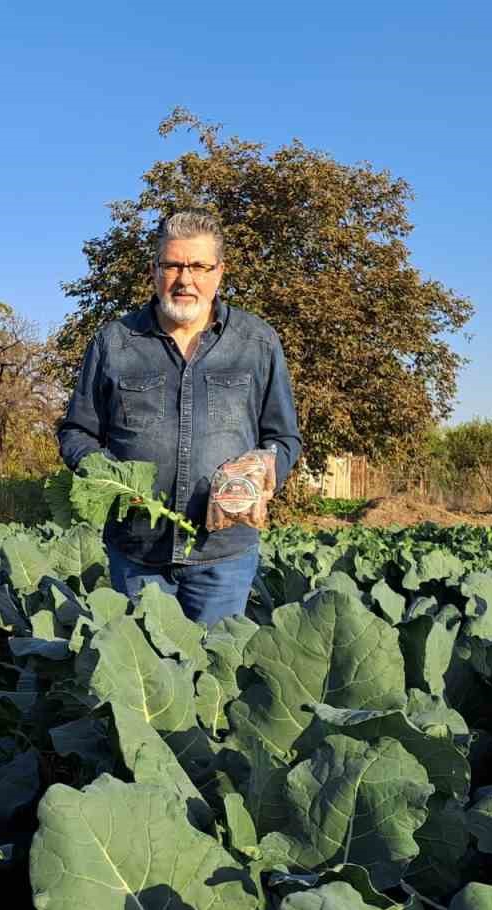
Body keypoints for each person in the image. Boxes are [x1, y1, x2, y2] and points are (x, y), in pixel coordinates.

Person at [57, 210, 301, 625]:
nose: (185, 279)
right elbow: (77, 430)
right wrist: (109, 478)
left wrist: (266, 463)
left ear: (219, 272)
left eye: (200, 266)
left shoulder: (256, 342)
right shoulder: (114, 342)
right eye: (172, 264)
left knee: (214, 674)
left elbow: (284, 437)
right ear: (154, 270)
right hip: (137, 553)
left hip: (223, 554)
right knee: (146, 677)